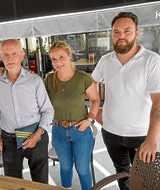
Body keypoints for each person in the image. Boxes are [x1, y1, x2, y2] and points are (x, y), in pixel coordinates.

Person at [92, 12, 160, 190]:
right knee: (121, 172)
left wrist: (152, 139)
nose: (121, 36)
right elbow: (92, 82)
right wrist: (95, 109)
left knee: (144, 178)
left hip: (141, 135)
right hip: (111, 132)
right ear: (111, 34)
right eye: (116, 32)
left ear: (137, 33)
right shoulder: (106, 60)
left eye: (127, 31)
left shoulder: (152, 60)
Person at [0, 39, 54, 184]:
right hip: (9, 140)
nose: (10, 58)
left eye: (14, 53)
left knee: (40, 182)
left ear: (22, 55)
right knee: (13, 183)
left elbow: (48, 111)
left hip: (36, 135)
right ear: (1, 57)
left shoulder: (35, 81)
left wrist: (37, 135)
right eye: (5, 54)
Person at [44, 41, 100, 190]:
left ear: (70, 56)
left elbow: (95, 100)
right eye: (54, 59)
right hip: (58, 130)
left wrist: (90, 120)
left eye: (61, 57)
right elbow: (37, 97)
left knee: (83, 169)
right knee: (66, 166)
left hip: (80, 130)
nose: (58, 62)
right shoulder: (49, 79)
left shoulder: (83, 78)